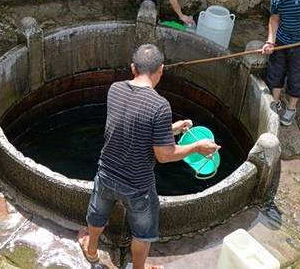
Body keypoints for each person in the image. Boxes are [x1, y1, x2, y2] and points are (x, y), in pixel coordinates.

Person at [78, 44, 219, 269]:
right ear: (161, 70)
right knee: (143, 233)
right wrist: (197, 147)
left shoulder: (115, 89)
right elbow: (164, 155)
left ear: (133, 68)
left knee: (97, 215)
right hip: (138, 185)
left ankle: (92, 251)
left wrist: (173, 128)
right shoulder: (159, 105)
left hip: (106, 173)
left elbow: (133, 126)